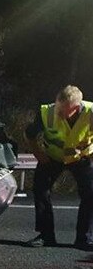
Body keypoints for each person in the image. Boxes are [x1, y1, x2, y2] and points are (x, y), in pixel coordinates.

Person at [24, 85, 93, 250]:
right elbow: (30, 134)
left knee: (90, 194)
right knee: (40, 189)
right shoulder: (47, 112)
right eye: (58, 108)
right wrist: (38, 154)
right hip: (53, 157)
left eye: (63, 112)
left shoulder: (90, 113)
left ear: (76, 108)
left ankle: (84, 238)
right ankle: (46, 235)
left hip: (81, 157)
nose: (58, 113)